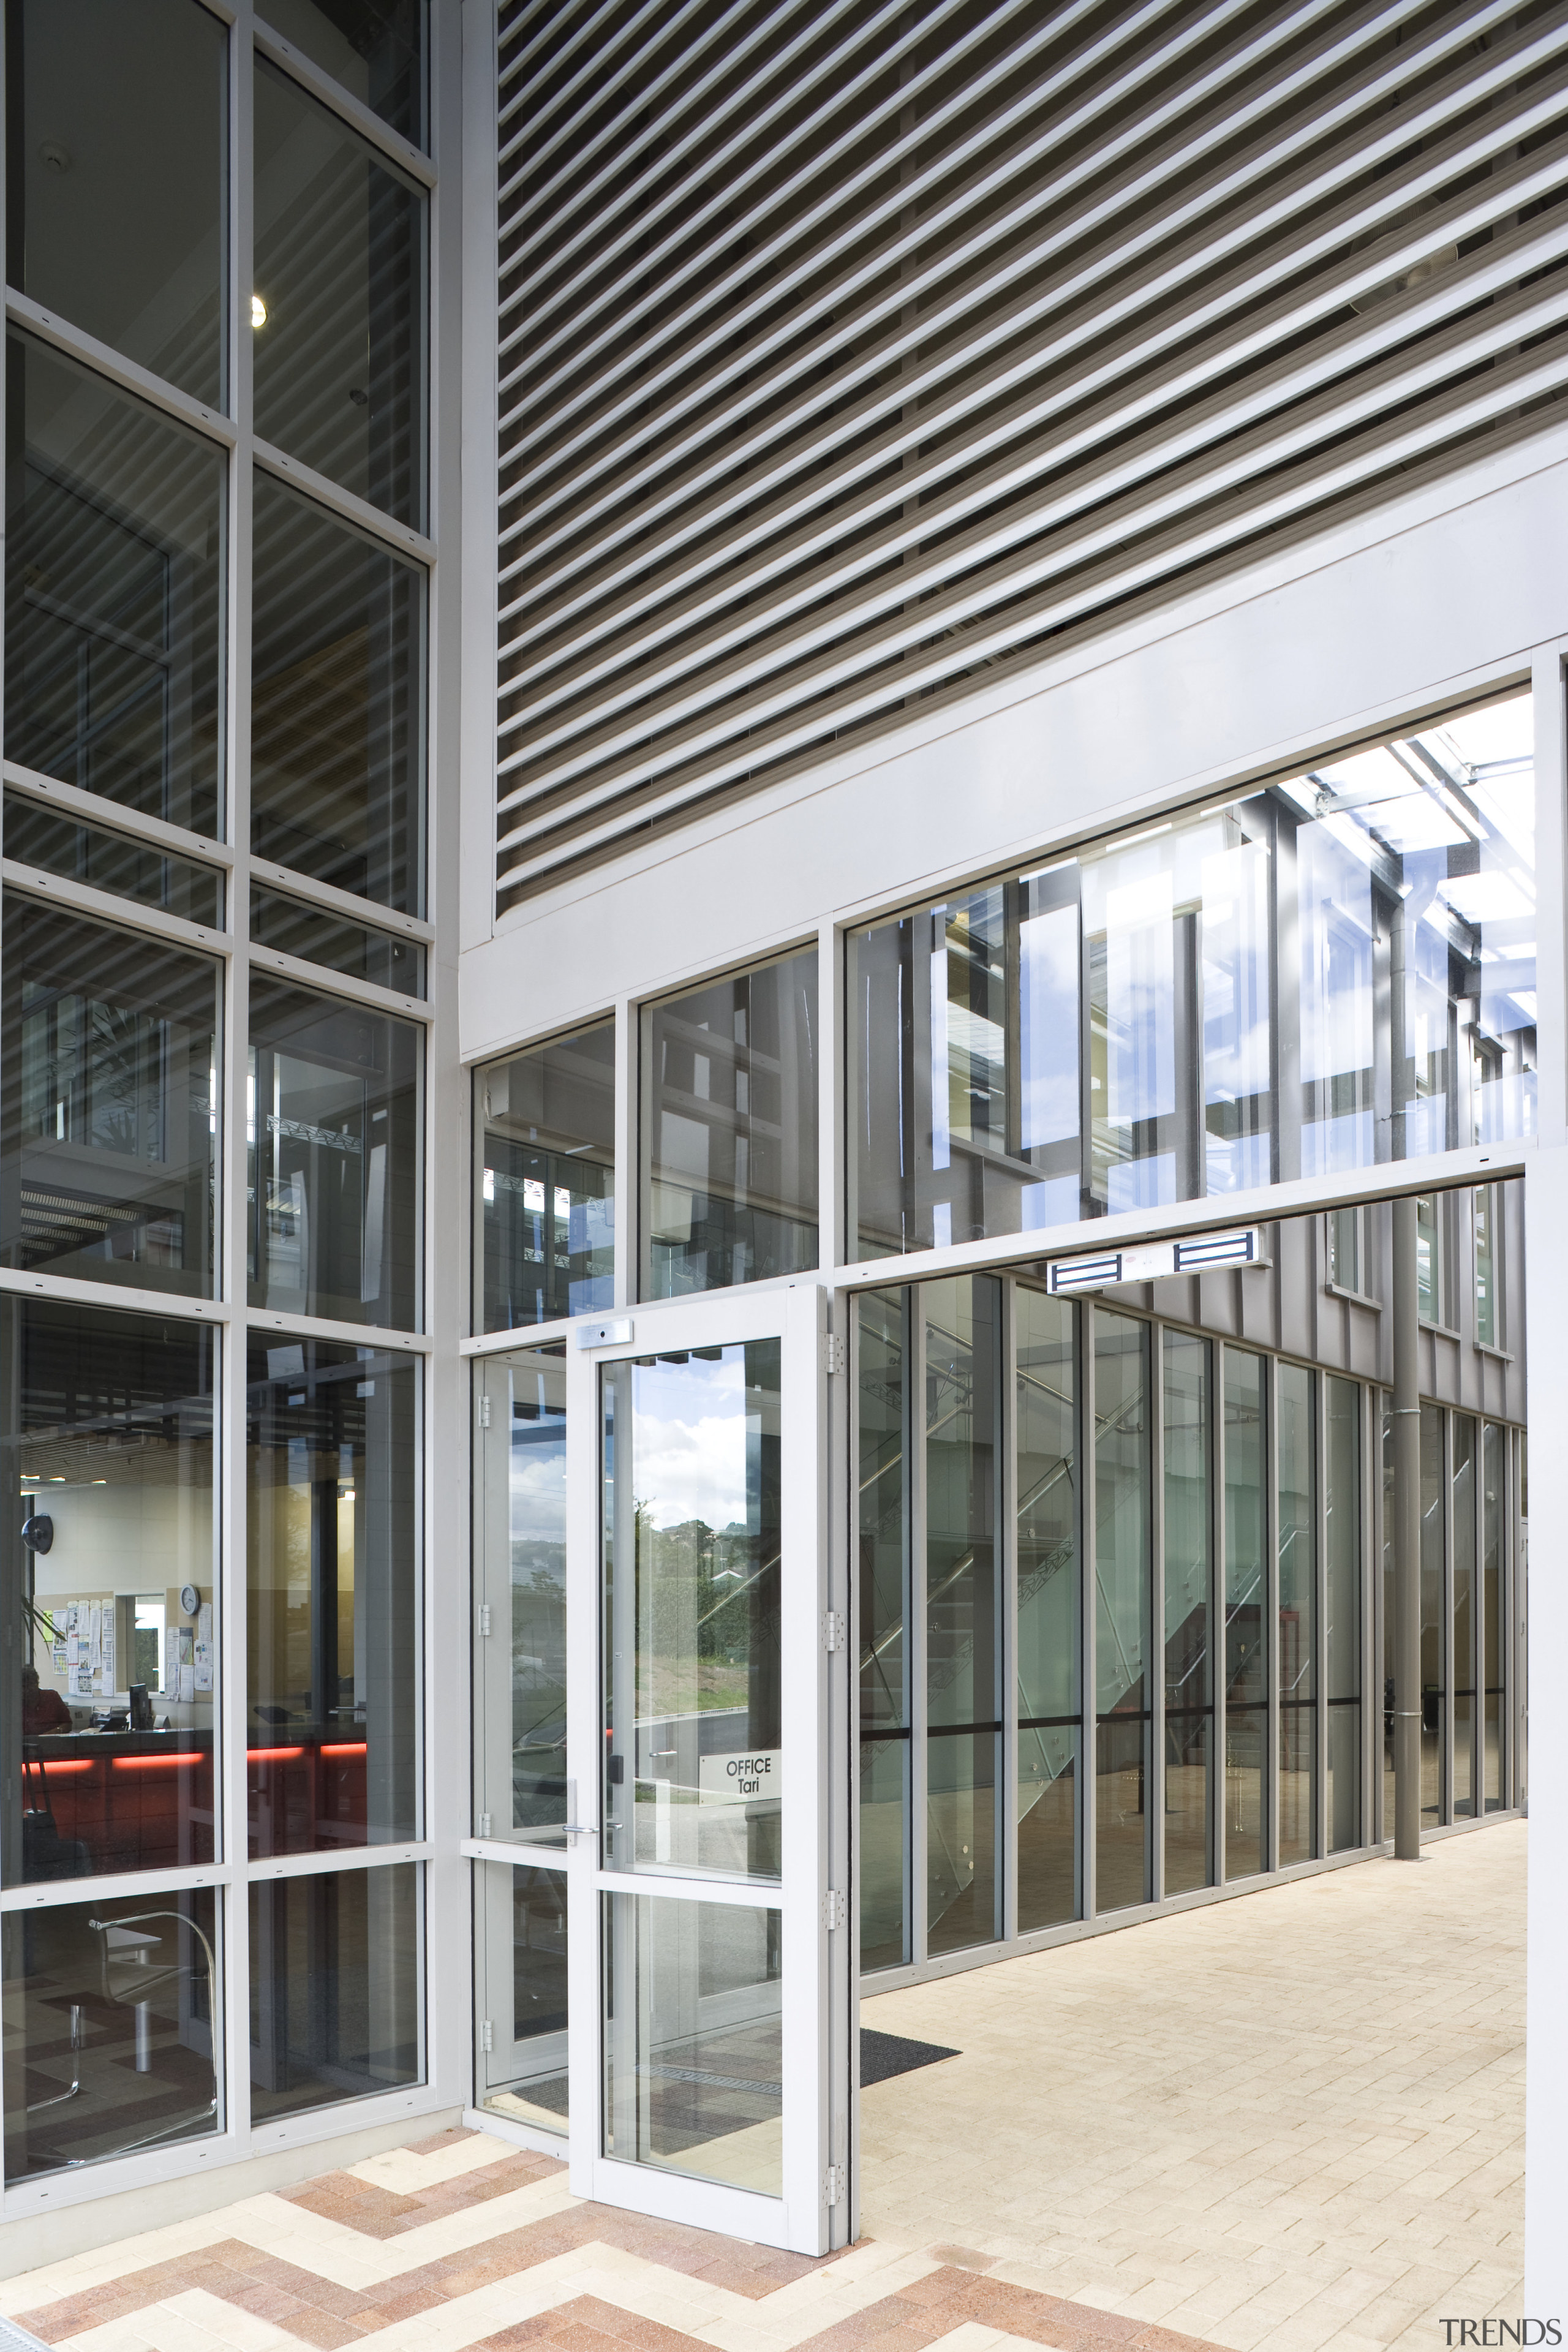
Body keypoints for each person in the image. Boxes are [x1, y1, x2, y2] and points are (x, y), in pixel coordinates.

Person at [21, 1662, 73, 1736]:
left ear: (36, 1683)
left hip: (52, 1742)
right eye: (23, 1686)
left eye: (29, 1685)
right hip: (24, 1745)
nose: (26, 1690)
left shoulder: (51, 1697)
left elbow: (67, 1724)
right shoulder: (14, 1703)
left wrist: (55, 1732)